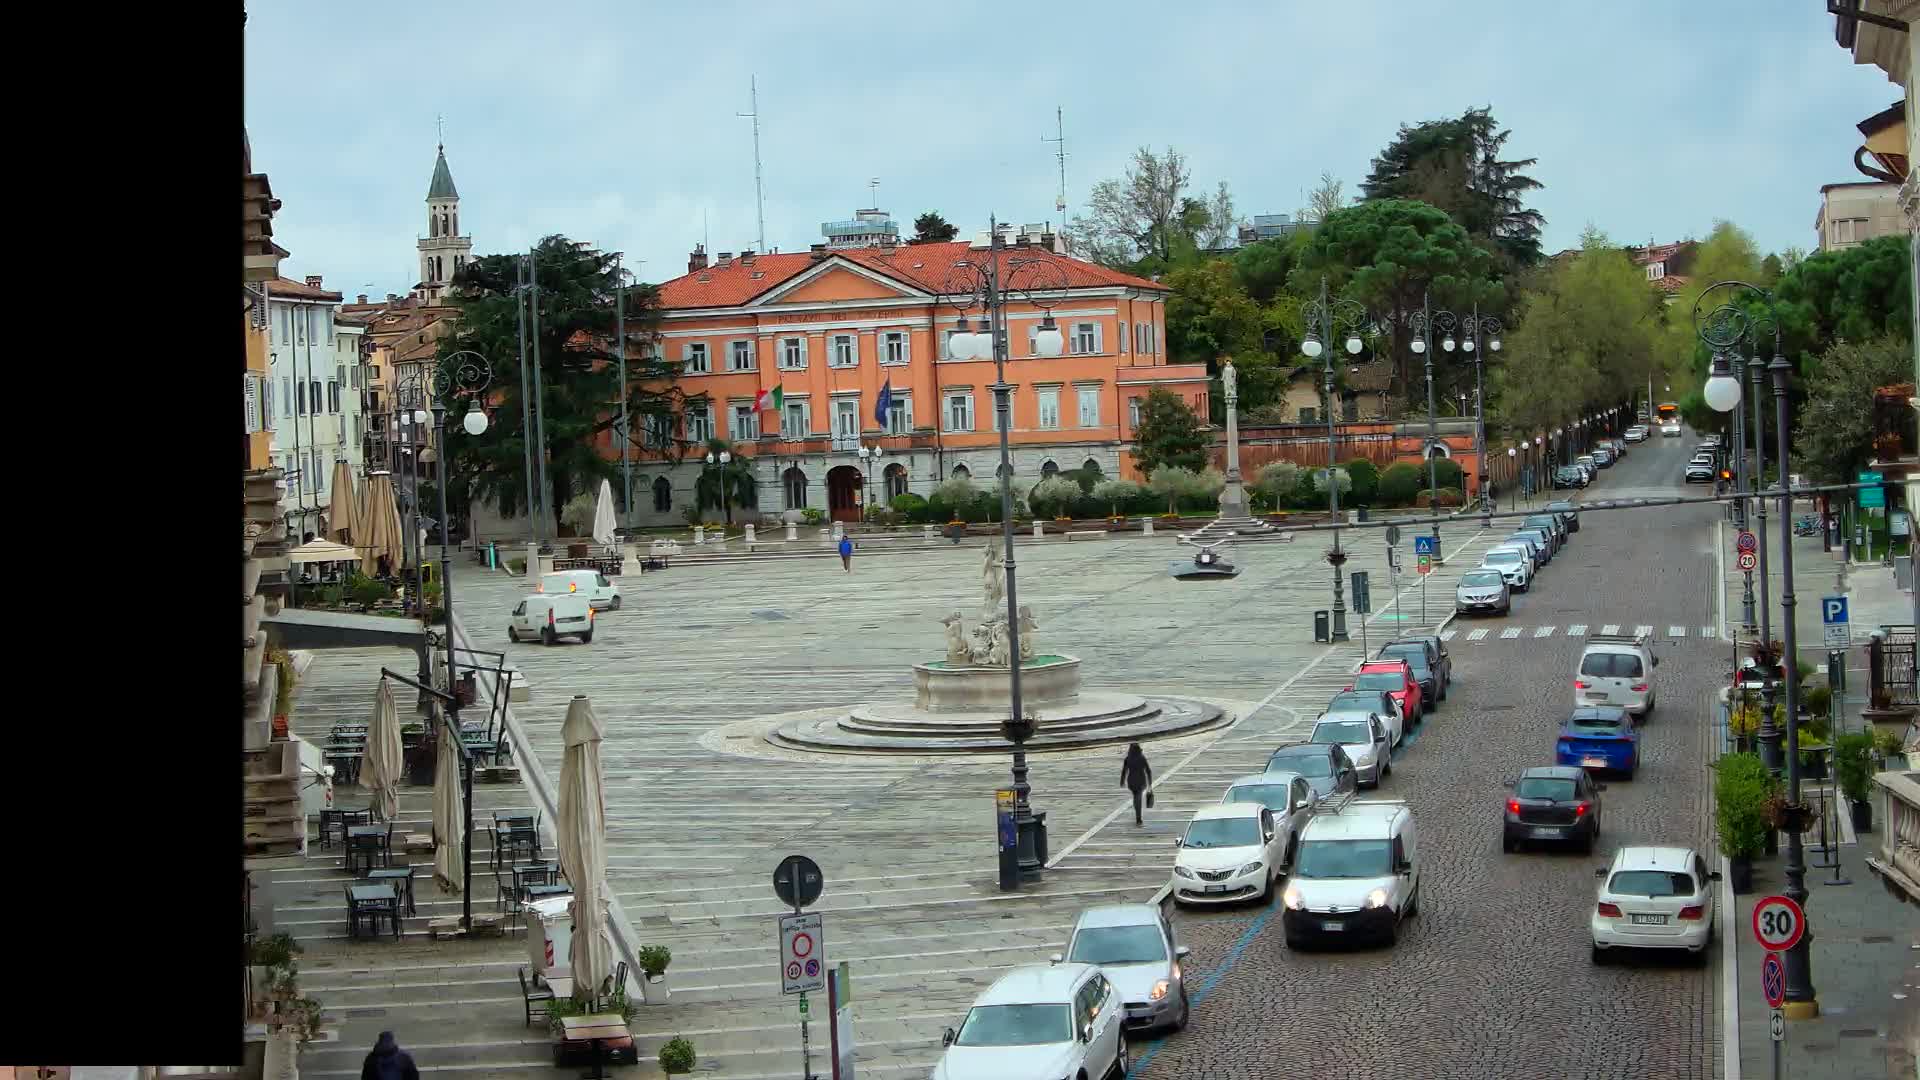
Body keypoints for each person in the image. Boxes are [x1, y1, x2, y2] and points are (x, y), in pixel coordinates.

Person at [1121, 742, 1152, 826]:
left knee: (1136, 797)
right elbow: (1148, 771)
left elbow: (1124, 771)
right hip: (1141, 780)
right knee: (1138, 797)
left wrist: (1122, 781)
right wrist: (1150, 783)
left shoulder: (1128, 759)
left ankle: (1137, 814)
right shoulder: (1142, 758)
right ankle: (1138, 818)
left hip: (1131, 781)